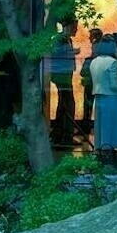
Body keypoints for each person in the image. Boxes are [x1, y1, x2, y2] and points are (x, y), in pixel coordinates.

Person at [90, 35, 117, 158]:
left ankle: (101, 146)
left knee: (101, 123)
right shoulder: (112, 62)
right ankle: (110, 146)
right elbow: (114, 85)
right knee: (113, 123)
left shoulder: (94, 62)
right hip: (111, 97)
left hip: (98, 96)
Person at [48, 17, 79, 148]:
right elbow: (55, 53)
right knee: (68, 104)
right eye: (75, 27)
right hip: (61, 76)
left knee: (64, 104)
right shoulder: (59, 39)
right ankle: (64, 135)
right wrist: (71, 52)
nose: (76, 29)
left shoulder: (67, 40)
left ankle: (60, 134)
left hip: (65, 76)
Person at [78, 27, 102, 138]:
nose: (89, 37)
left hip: (92, 83)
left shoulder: (95, 51)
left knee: (88, 106)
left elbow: (83, 72)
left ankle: (86, 128)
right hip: (96, 83)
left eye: (91, 35)